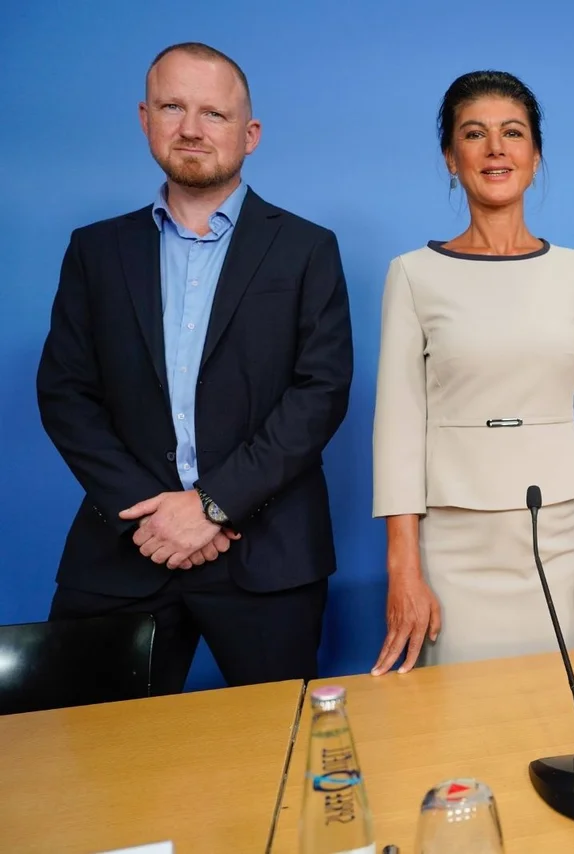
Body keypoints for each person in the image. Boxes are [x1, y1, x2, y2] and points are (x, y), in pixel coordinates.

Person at [35, 43, 353, 693]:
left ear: (249, 133)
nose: (191, 128)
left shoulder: (306, 250)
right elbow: (65, 393)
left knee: (276, 761)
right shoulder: (95, 252)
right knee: (88, 770)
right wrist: (153, 516)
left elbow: (319, 394)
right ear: (145, 117)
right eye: (173, 107)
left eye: (213, 113)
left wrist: (210, 506)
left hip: (267, 558)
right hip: (125, 549)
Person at [370, 70, 574, 671]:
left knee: (565, 713)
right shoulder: (413, 274)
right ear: (451, 157)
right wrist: (404, 567)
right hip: (451, 545)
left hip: (563, 540)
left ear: (535, 154)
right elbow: (397, 429)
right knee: (459, 727)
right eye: (474, 134)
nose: (496, 148)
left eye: (513, 133)